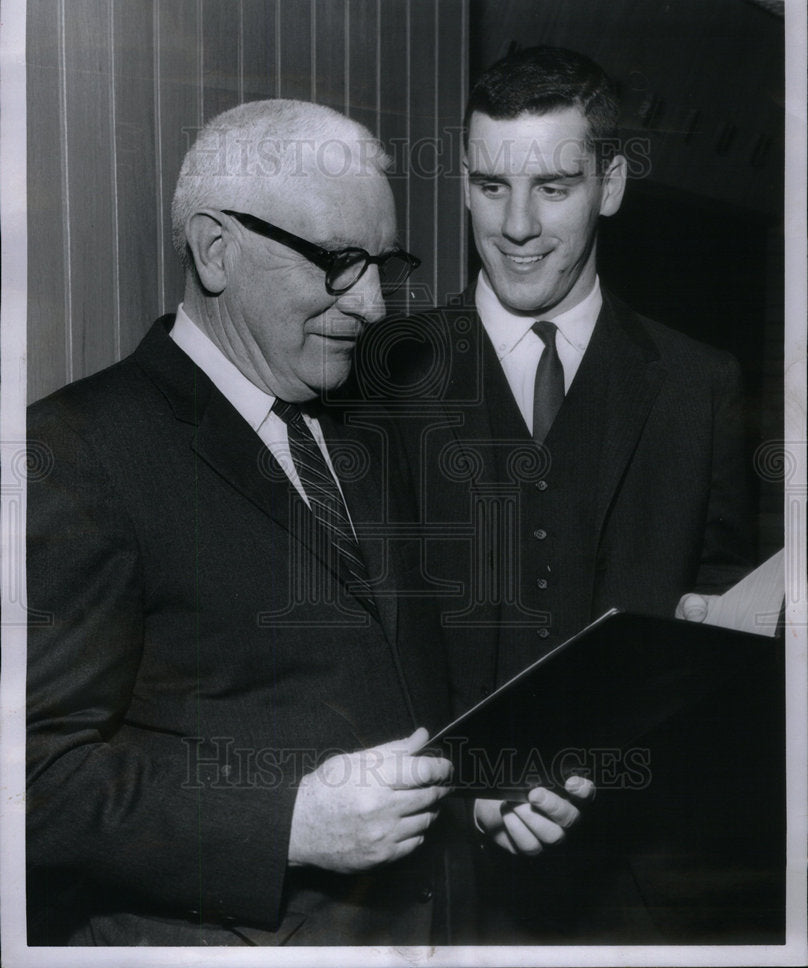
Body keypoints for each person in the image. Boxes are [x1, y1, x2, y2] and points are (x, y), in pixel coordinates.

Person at [26, 98, 592, 948]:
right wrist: (286, 823)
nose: (368, 305)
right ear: (218, 250)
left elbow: (381, 689)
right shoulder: (78, 449)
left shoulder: (365, 419)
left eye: (384, 266)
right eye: (338, 262)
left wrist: (473, 798)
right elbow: (33, 780)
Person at [353, 47, 765, 941]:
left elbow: (730, 634)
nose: (518, 225)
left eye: (554, 187)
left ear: (610, 185)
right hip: (430, 893)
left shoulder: (700, 385)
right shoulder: (380, 378)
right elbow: (353, 640)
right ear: (463, 183)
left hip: (636, 894)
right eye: (492, 186)